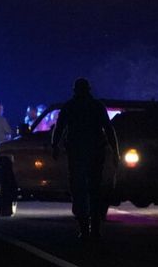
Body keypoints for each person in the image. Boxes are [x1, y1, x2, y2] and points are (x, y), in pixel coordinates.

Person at [50, 77, 116, 242]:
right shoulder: (97, 106)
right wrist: (116, 151)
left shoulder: (70, 106)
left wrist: (55, 146)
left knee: (79, 190)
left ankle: (84, 228)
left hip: (78, 153)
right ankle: (94, 229)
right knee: (94, 190)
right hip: (94, 152)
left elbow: (59, 129)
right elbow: (108, 129)